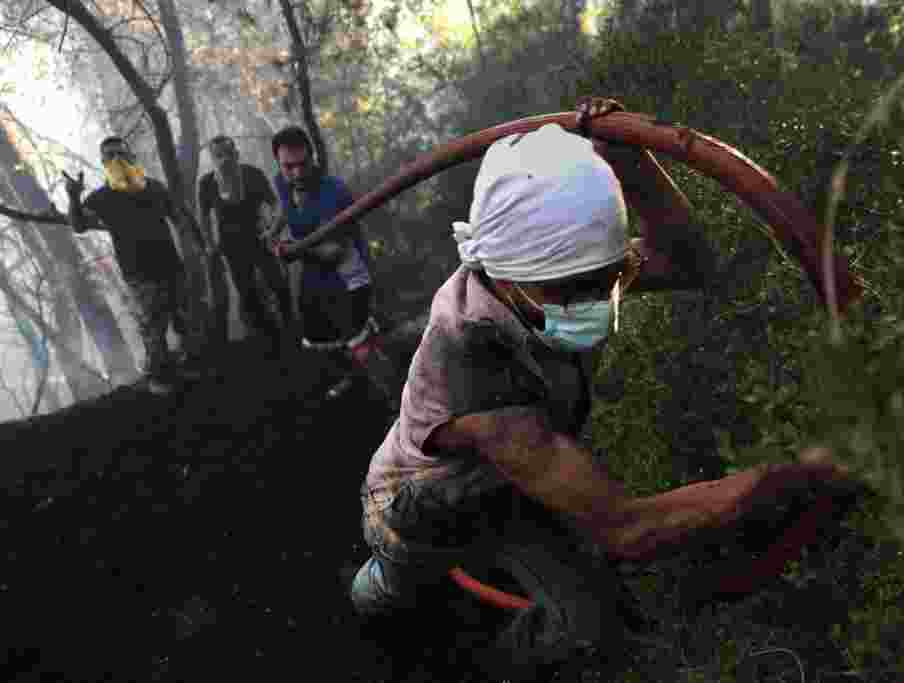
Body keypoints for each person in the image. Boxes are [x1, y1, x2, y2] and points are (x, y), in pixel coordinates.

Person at [348, 98, 850, 670]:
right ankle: (384, 595)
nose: (595, 303)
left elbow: (689, 263)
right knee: (398, 586)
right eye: (572, 290)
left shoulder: (561, 272)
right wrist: (805, 475)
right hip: (419, 502)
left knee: (592, 630)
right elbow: (624, 527)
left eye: (605, 280)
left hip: (506, 480)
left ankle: (499, 649)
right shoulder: (470, 362)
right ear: (508, 277)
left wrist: (633, 165)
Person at [64, 136, 209, 393]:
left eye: (121, 153)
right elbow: (79, 225)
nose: (117, 159)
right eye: (110, 156)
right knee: (154, 327)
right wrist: (74, 197)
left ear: (132, 157)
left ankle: (193, 372)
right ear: (103, 163)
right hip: (139, 275)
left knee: (185, 320)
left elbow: (180, 216)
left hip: (171, 267)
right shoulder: (103, 197)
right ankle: (161, 381)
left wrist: (200, 248)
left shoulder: (153, 187)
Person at [267, 126, 394, 401]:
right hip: (315, 275)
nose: (297, 173)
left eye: (303, 164)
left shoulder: (332, 191)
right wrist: (274, 231)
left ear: (313, 158)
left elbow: (335, 251)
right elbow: (284, 206)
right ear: (278, 163)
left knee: (360, 344)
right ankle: (352, 377)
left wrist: (294, 251)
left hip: (348, 277)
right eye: (289, 167)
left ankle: (400, 401)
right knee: (321, 338)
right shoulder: (281, 181)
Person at [197, 135, 293, 349]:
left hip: (259, 239)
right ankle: (268, 337)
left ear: (236, 154)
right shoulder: (206, 184)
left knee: (278, 283)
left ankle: (290, 326)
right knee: (247, 293)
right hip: (231, 247)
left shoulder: (252, 174)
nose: (224, 160)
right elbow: (203, 216)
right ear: (212, 159)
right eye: (218, 155)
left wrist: (274, 228)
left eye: (228, 154)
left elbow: (275, 203)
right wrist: (209, 245)